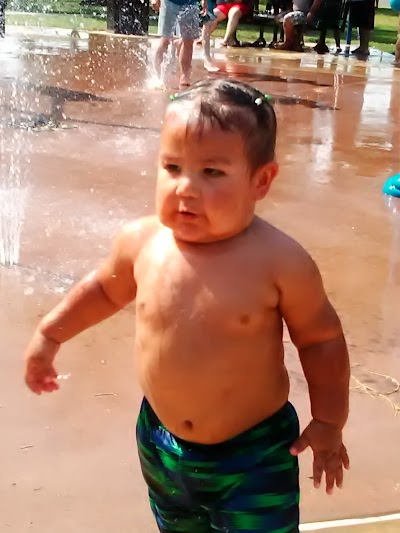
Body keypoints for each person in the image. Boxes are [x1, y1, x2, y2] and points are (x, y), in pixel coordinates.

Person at [24, 79, 350, 533]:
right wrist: (50, 334)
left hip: (252, 455)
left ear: (261, 181)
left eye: (212, 172)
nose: (185, 188)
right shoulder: (142, 242)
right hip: (160, 444)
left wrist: (330, 420)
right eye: (172, 166)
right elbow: (102, 290)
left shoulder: (280, 261)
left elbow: (321, 340)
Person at [152, 0, 204, 86]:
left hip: (191, 3)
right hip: (169, 2)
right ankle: (157, 75)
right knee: (165, 40)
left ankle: (185, 75)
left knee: (188, 40)